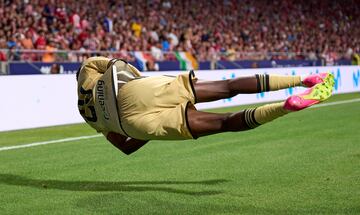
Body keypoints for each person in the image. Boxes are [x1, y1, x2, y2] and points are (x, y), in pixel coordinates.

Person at [77, 56, 334, 155]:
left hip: (134, 125)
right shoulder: (85, 71)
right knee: (226, 87)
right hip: (134, 91)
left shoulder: (88, 119)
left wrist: (148, 130)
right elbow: (118, 65)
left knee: (223, 123)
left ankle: (284, 107)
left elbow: (124, 147)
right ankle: (304, 79)